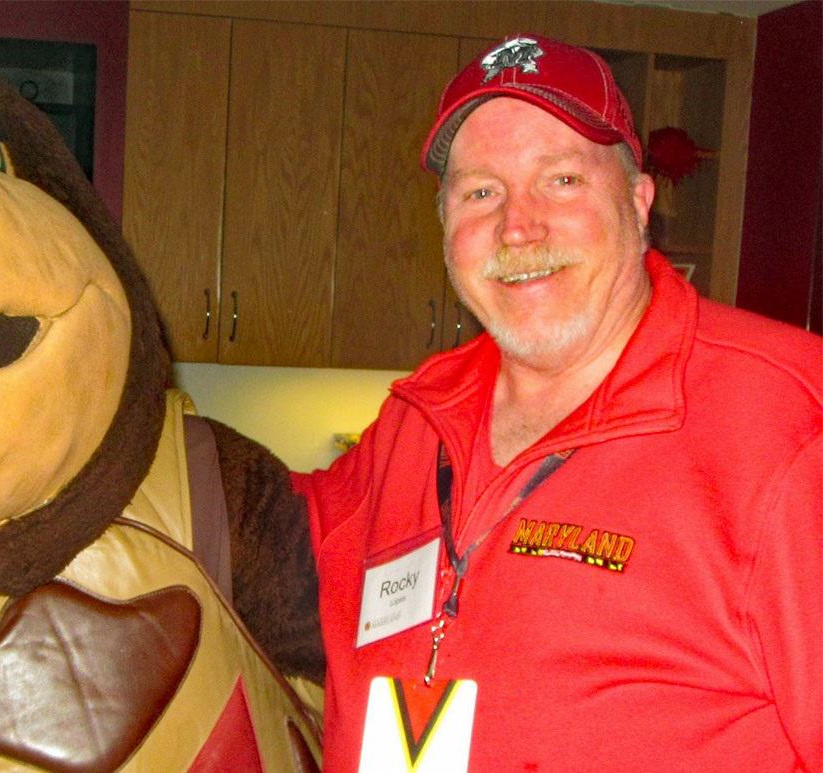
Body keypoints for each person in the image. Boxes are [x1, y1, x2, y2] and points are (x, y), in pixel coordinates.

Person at [293, 34, 821, 772]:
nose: (518, 226)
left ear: (639, 204)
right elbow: (268, 540)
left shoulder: (789, 425)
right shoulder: (418, 416)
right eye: (481, 191)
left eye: (563, 180)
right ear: (445, 227)